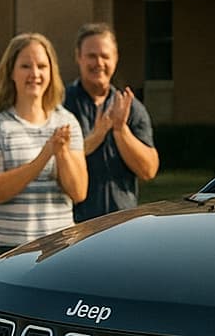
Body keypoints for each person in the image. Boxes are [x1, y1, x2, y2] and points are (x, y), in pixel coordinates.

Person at [0, 32, 87, 261]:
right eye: (26, 66)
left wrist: (62, 153)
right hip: (5, 250)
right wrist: (44, 156)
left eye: (42, 66)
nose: (35, 74)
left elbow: (79, 192)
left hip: (58, 247)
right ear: (11, 72)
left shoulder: (67, 122)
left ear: (51, 72)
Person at [63, 23, 158, 222]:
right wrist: (96, 136)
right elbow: (55, 161)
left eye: (105, 56)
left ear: (115, 58)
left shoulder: (131, 107)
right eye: (91, 56)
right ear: (78, 57)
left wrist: (120, 130)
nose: (99, 62)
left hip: (122, 224)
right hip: (75, 225)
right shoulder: (62, 105)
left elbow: (148, 170)